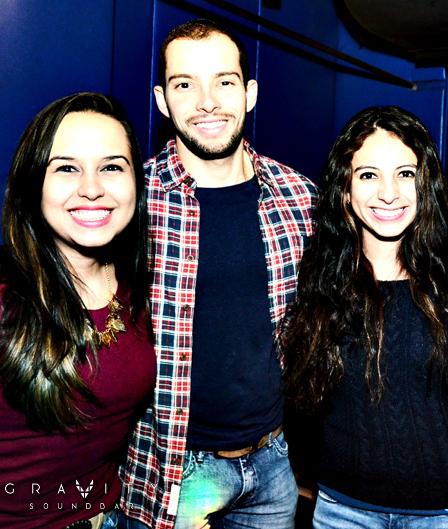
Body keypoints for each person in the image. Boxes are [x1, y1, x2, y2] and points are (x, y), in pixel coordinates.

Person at [119, 18, 317, 529]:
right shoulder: (130, 201)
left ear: (250, 94)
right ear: (163, 100)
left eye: (224, 82)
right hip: (173, 470)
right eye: (185, 84)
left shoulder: (299, 196)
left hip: (274, 464)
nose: (207, 102)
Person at [282, 106, 448, 528]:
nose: (389, 193)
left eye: (405, 173)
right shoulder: (316, 279)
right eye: (368, 175)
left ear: (426, 184)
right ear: (344, 189)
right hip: (342, 511)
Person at [0, 92, 155, 529]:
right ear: (34, 183)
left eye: (112, 167)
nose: (91, 188)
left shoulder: (141, 287)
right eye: (67, 168)